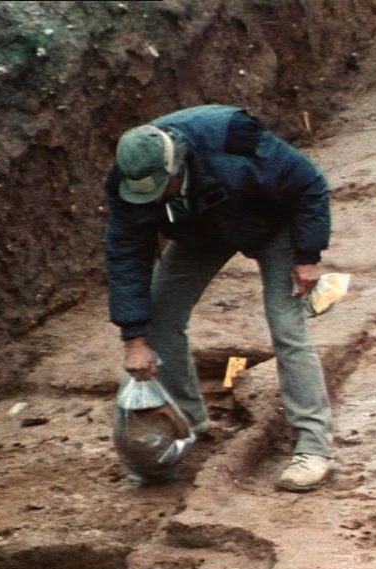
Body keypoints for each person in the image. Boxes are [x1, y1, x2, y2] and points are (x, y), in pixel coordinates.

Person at [104, 104, 334, 491]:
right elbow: (127, 255)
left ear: (175, 166)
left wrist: (307, 255)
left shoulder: (231, 138)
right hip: (199, 232)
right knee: (158, 321)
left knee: (286, 328)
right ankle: (188, 425)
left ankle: (314, 446)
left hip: (272, 224)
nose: (153, 199)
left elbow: (309, 184)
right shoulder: (129, 181)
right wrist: (134, 338)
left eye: (161, 189)